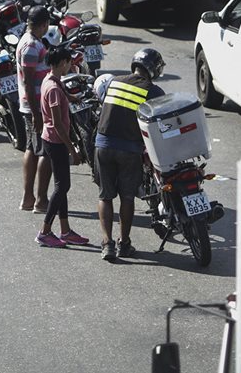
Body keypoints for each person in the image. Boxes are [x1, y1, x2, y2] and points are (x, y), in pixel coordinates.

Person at [95, 48, 166, 262]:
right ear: (154, 70)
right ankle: (124, 244)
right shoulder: (153, 91)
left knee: (105, 196)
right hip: (130, 150)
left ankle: (107, 244)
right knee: (127, 197)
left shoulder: (114, 81)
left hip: (103, 145)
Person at [35, 48, 90, 248]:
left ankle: (65, 230)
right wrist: (72, 150)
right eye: (69, 62)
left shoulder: (50, 81)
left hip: (50, 139)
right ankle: (44, 231)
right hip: (56, 141)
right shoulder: (55, 90)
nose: (71, 66)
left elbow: (60, 96)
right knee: (62, 187)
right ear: (62, 63)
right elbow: (58, 123)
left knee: (62, 185)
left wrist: (73, 98)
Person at [17, 6, 52, 214]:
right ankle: (40, 201)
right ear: (44, 24)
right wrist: (37, 114)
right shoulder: (31, 45)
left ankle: (28, 198)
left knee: (32, 148)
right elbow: (29, 83)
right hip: (36, 107)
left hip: (32, 106)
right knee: (45, 152)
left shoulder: (29, 40)